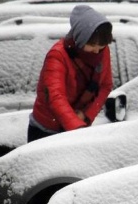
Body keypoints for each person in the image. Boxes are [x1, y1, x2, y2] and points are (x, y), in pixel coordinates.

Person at [28, 5, 113, 142]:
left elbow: (105, 86)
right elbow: (56, 97)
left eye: (101, 47)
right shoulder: (58, 55)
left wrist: (86, 115)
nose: (97, 52)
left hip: (76, 127)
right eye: (92, 46)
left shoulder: (103, 52)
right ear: (80, 39)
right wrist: (77, 128)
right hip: (47, 131)